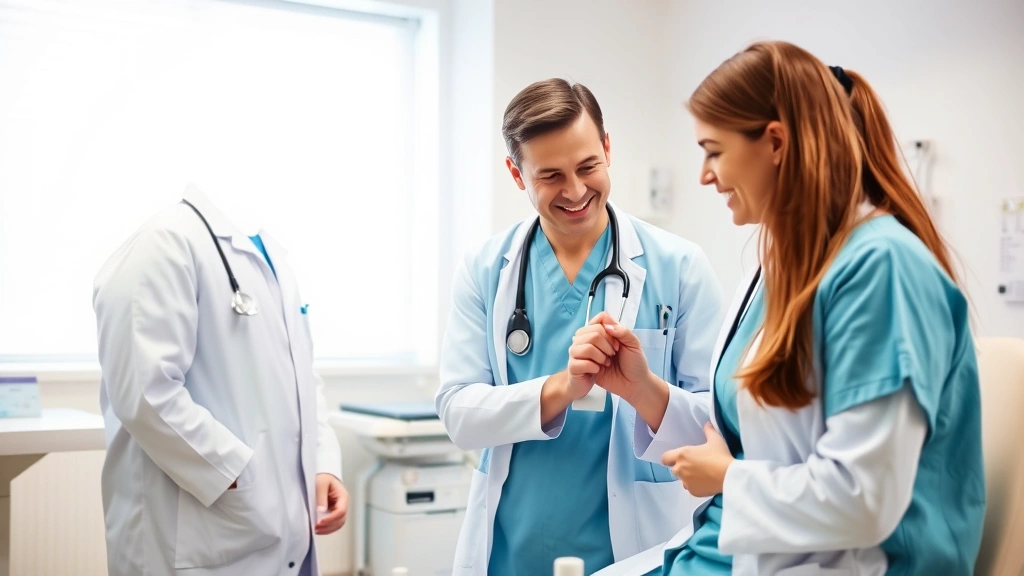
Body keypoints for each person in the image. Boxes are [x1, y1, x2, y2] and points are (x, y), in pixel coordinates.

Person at [594, 40, 986, 576]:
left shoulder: (882, 268)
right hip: (732, 548)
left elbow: (863, 497)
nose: (705, 175)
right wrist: (643, 390)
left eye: (714, 151)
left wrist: (728, 479)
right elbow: (749, 435)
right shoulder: (781, 264)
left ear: (775, 142)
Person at [436, 78, 725, 576]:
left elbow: (717, 426)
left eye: (588, 166)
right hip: (510, 548)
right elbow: (458, 413)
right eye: (550, 175)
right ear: (516, 173)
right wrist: (561, 388)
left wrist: (644, 390)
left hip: (634, 551)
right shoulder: (485, 269)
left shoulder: (680, 266)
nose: (574, 191)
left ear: (607, 148)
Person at [93, 184, 349, 576]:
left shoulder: (271, 256)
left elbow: (301, 377)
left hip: (279, 525)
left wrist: (322, 463)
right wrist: (235, 472)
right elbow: (145, 393)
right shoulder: (164, 243)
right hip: (200, 532)